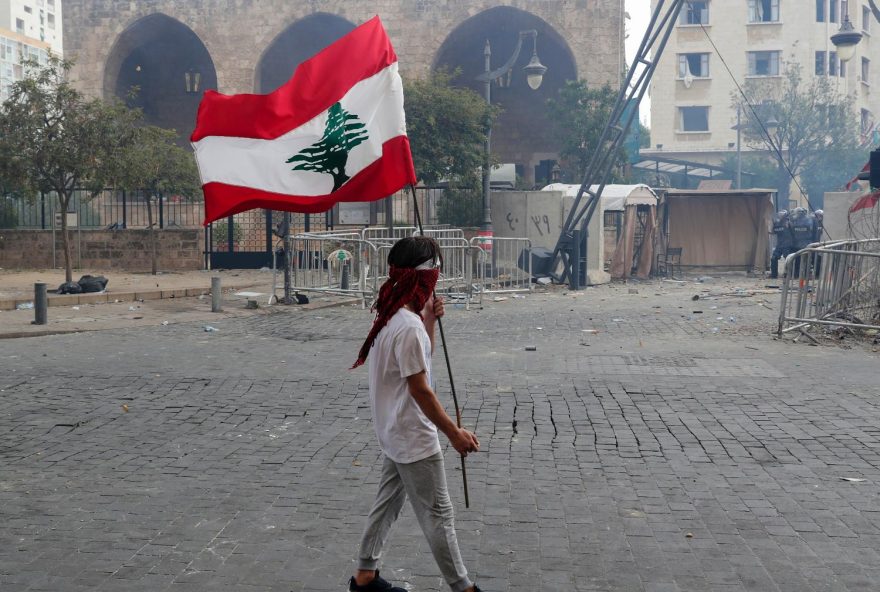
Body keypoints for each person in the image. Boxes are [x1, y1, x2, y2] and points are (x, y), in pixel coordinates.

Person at [350, 236, 482, 592]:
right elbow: (420, 388)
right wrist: (453, 432)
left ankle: (364, 575)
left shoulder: (393, 315)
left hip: (394, 431)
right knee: (439, 516)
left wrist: (430, 321)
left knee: (387, 503)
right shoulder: (405, 327)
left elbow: (419, 362)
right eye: (435, 271)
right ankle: (463, 587)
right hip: (412, 434)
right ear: (423, 277)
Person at [769, 210, 792, 279]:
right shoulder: (777, 223)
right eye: (779, 214)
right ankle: (774, 275)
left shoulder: (788, 222)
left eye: (782, 215)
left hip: (787, 245)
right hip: (779, 245)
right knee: (773, 258)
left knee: (788, 259)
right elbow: (772, 232)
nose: (780, 216)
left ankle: (788, 274)